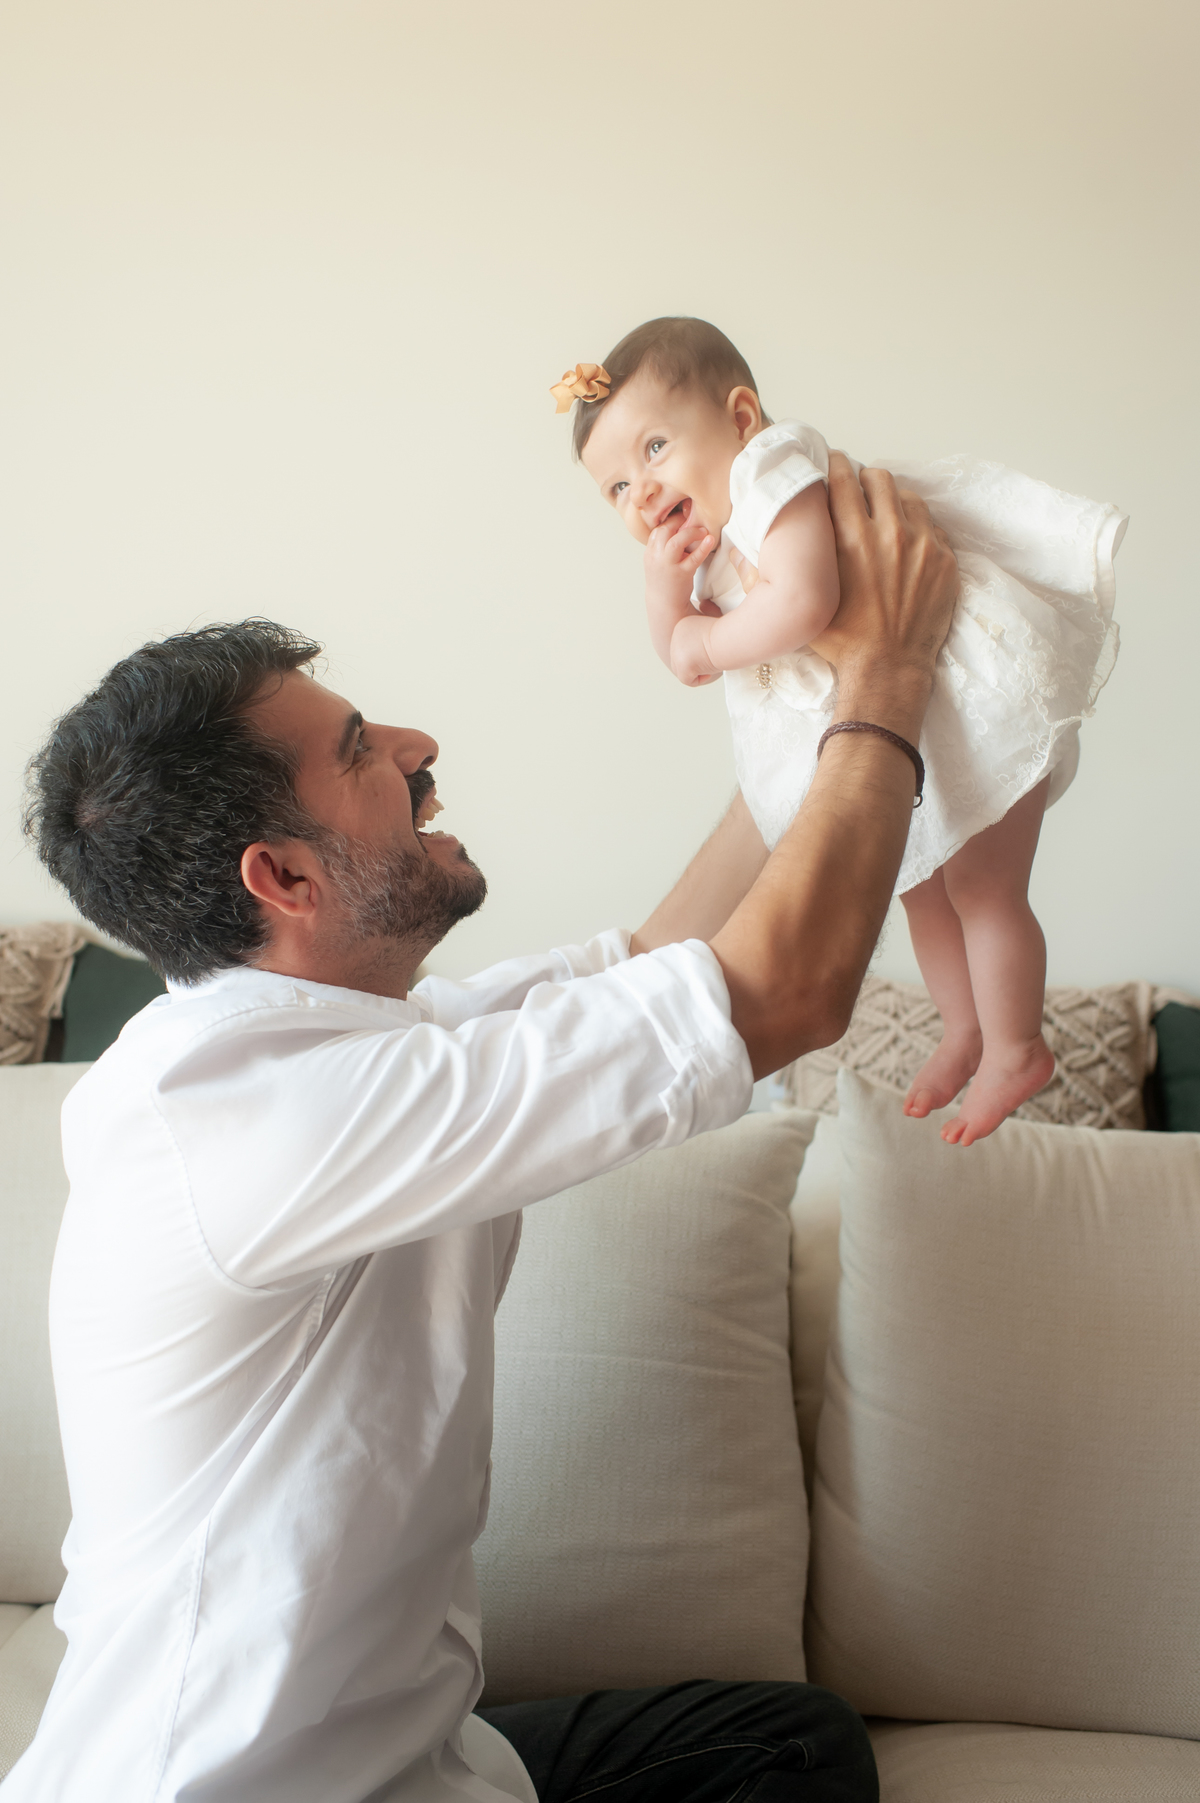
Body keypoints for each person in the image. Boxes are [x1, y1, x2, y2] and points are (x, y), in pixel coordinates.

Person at [11, 459, 957, 1803]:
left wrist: (795, 685)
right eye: (359, 752)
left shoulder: (339, 1051)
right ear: (278, 877)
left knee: (786, 1741)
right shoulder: (249, 1126)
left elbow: (659, 961)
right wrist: (892, 681)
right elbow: (787, 989)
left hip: (424, 1760)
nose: (414, 746)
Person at [564, 317, 1127, 1144]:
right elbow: (681, 658)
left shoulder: (771, 473)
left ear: (742, 417)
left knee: (981, 891)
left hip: (967, 700)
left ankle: (1017, 1046)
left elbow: (805, 603)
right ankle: (964, 1029)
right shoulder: (707, 542)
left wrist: (705, 638)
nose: (641, 493)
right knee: (917, 888)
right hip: (905, 730)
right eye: (615, 488)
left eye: (652, 450)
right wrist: (665, 595)